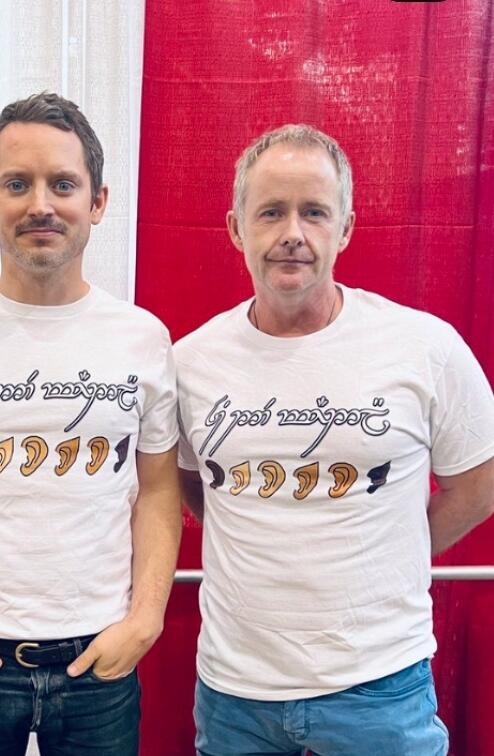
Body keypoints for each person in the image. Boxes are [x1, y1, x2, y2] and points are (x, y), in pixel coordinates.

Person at [174, 123, 494, 756]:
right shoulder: (189, 362)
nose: (293, 233)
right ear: (237, 228)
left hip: (382, 684)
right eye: (271, 212)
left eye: (314, 212)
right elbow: (187, 480)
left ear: (345, 228)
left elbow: (479, 485)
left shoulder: (424, 346)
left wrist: (392, 551)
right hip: (236, 690)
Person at [0, 92, 182, 755]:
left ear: (98, 201)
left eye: (62, 184)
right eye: (17, 184)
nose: (40, 205)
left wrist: (145, 617)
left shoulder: (142, 338)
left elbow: (158, 490)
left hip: (98, 660)